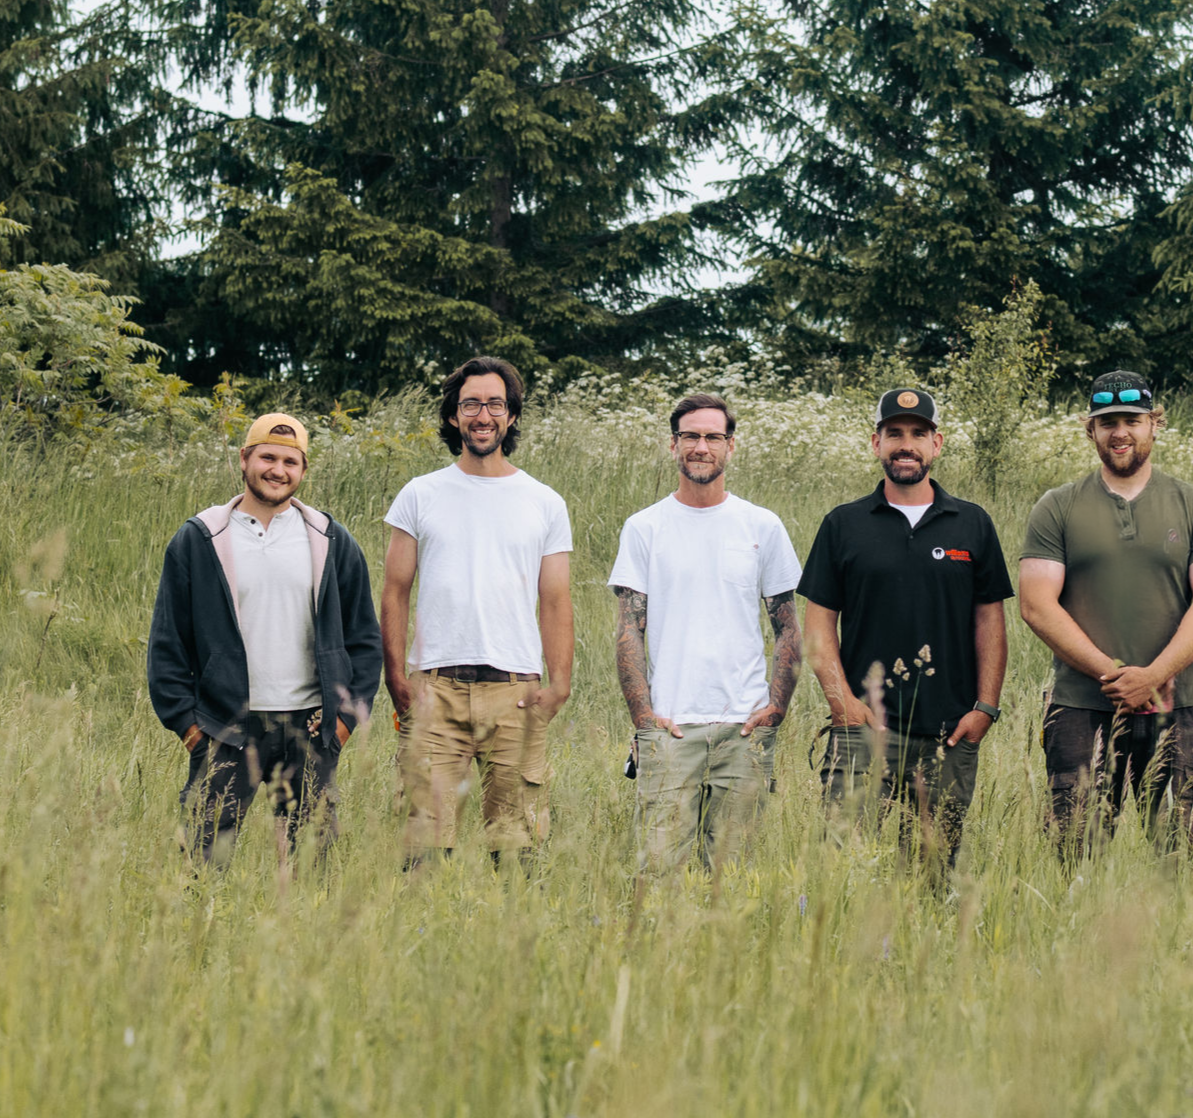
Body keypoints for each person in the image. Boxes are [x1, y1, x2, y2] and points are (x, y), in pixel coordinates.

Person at [147, 413, 382, 868]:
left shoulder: (331, 540)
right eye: (267, 457)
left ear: (303, 470)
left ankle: (307, 940)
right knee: (203, 866)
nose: (278, 470)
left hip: (310, 726)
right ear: (244, 459)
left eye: (290, 461)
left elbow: (363, 640)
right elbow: (167, 642)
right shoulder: (200, 538)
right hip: (225, 726)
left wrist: (344, 722)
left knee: (313, 872)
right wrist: (191, 729)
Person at [798, 388, 1013, 870]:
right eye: (894, 433)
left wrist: (985, 710)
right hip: (862, 732)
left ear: (937, 444)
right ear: (875, 442)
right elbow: (818, 626)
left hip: (949, 734)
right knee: (847, 875)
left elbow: (991, 622)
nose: (905, 445)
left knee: (934, 875)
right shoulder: (843, 524)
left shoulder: (973, 524)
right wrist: (842, 705)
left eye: (918, 434)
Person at [1019, 371, 1193, 853]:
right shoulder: (1057, 507)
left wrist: (1155, 676)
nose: (1121, 432)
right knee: (1076, 859)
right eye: (1107, 422)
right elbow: (1036, 605)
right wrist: (1115, 675)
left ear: (1155, 424)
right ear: (1089, 429)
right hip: (1080, 708)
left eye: (1132, 420)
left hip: (1177, 707)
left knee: (1182, 858)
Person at [381, 356, 574, 864]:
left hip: (515, 694)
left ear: (510, 416)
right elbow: (395, 590)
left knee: (515, 852)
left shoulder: (543, 501)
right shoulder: (420, 494)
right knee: (422, 851)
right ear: (453, 416)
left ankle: (510, 943)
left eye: (494, 404)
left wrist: (559, 684)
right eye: (471, 404)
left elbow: (555, 599)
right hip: (434, 691)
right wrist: (397, 678)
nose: (482, 415)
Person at [608, 393, 803, 874]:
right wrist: (644, 719)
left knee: (733, 879)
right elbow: (629, 629)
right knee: (658, 874)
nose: (701, 446)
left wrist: (775, 708)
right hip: (670, 729)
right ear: (673, 445)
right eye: (690, 436)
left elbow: (787, 627)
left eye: (713, 436)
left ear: (730, 447)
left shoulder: (762, 526)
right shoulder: (645, 527)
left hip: (744, 729)